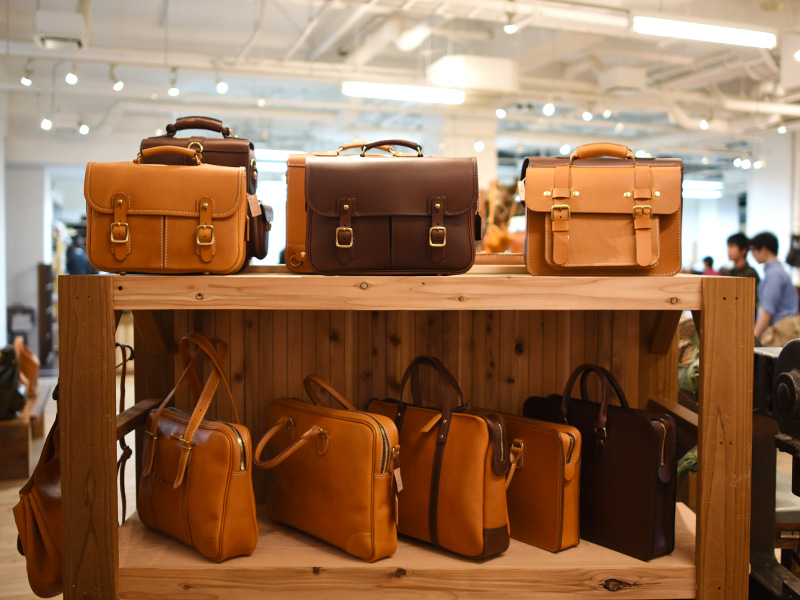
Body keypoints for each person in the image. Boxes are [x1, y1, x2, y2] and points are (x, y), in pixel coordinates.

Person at [750, 232, 800, 346]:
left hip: (781, 330)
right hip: (785, 327)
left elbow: (767, 310)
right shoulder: (777, 270)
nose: (752, 255)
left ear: (764, 250)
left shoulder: (774, 274)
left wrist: (754, 336)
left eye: (754, 250)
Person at [723, 233, 760, 304]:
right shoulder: (731, 272)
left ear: (743, 250)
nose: (728, 250)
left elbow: (753, 300)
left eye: (732, 246)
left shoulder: (750, 273)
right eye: (728, 247)